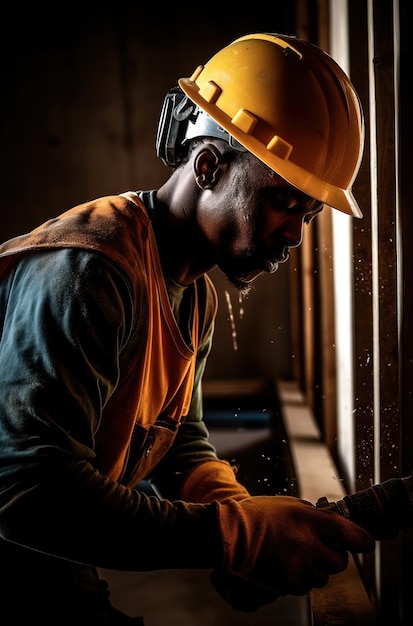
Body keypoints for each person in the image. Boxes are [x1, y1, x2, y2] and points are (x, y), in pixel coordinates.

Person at [0, 33, 374, 625]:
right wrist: (230, 538)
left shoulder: (193, 295)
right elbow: (29, 493)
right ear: (208, 166)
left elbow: (178, 439)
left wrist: (237, 516)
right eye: (283, 203)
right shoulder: (91, 270)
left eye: (308, 214)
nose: (296, 235)